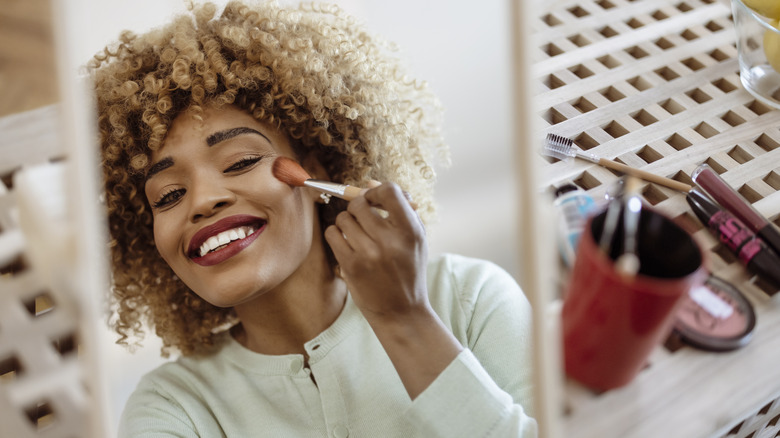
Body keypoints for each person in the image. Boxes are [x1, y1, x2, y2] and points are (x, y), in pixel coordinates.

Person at [89, 1, 537, 436]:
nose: (202, 201)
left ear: (318, 171)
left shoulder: (468, 299)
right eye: (168, 195)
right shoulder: (174, 407)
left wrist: (405, 319)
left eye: (241, 161)